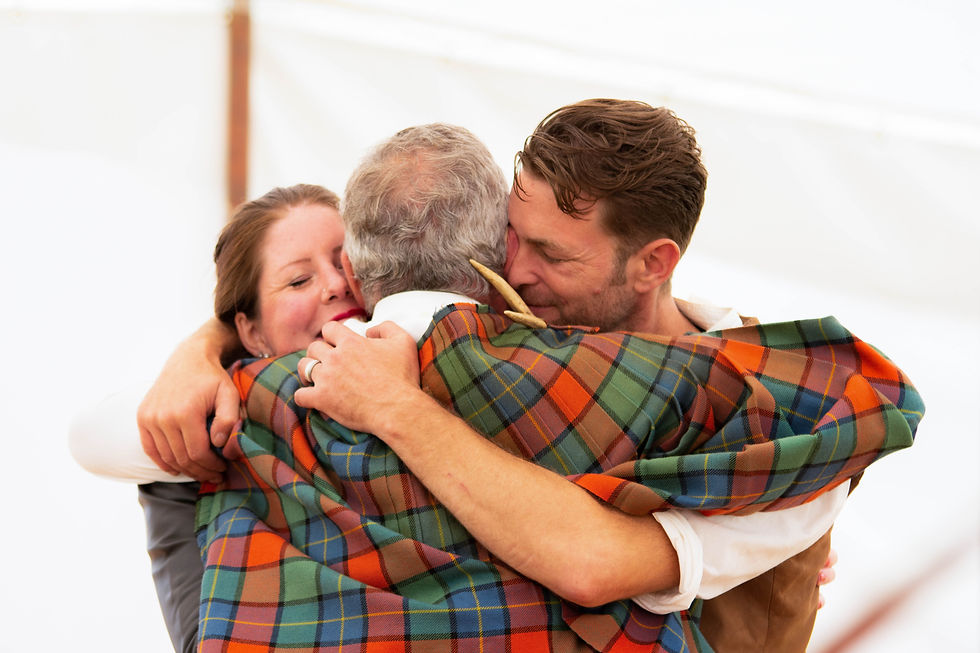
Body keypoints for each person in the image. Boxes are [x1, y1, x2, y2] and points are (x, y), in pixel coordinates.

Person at [71, 182, 365, 653]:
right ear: (249, 331)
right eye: (297, 280)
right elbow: (87, 437)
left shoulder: (433, 355)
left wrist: (202, 345)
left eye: (346, 259)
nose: (336, 284)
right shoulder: (208, 435)